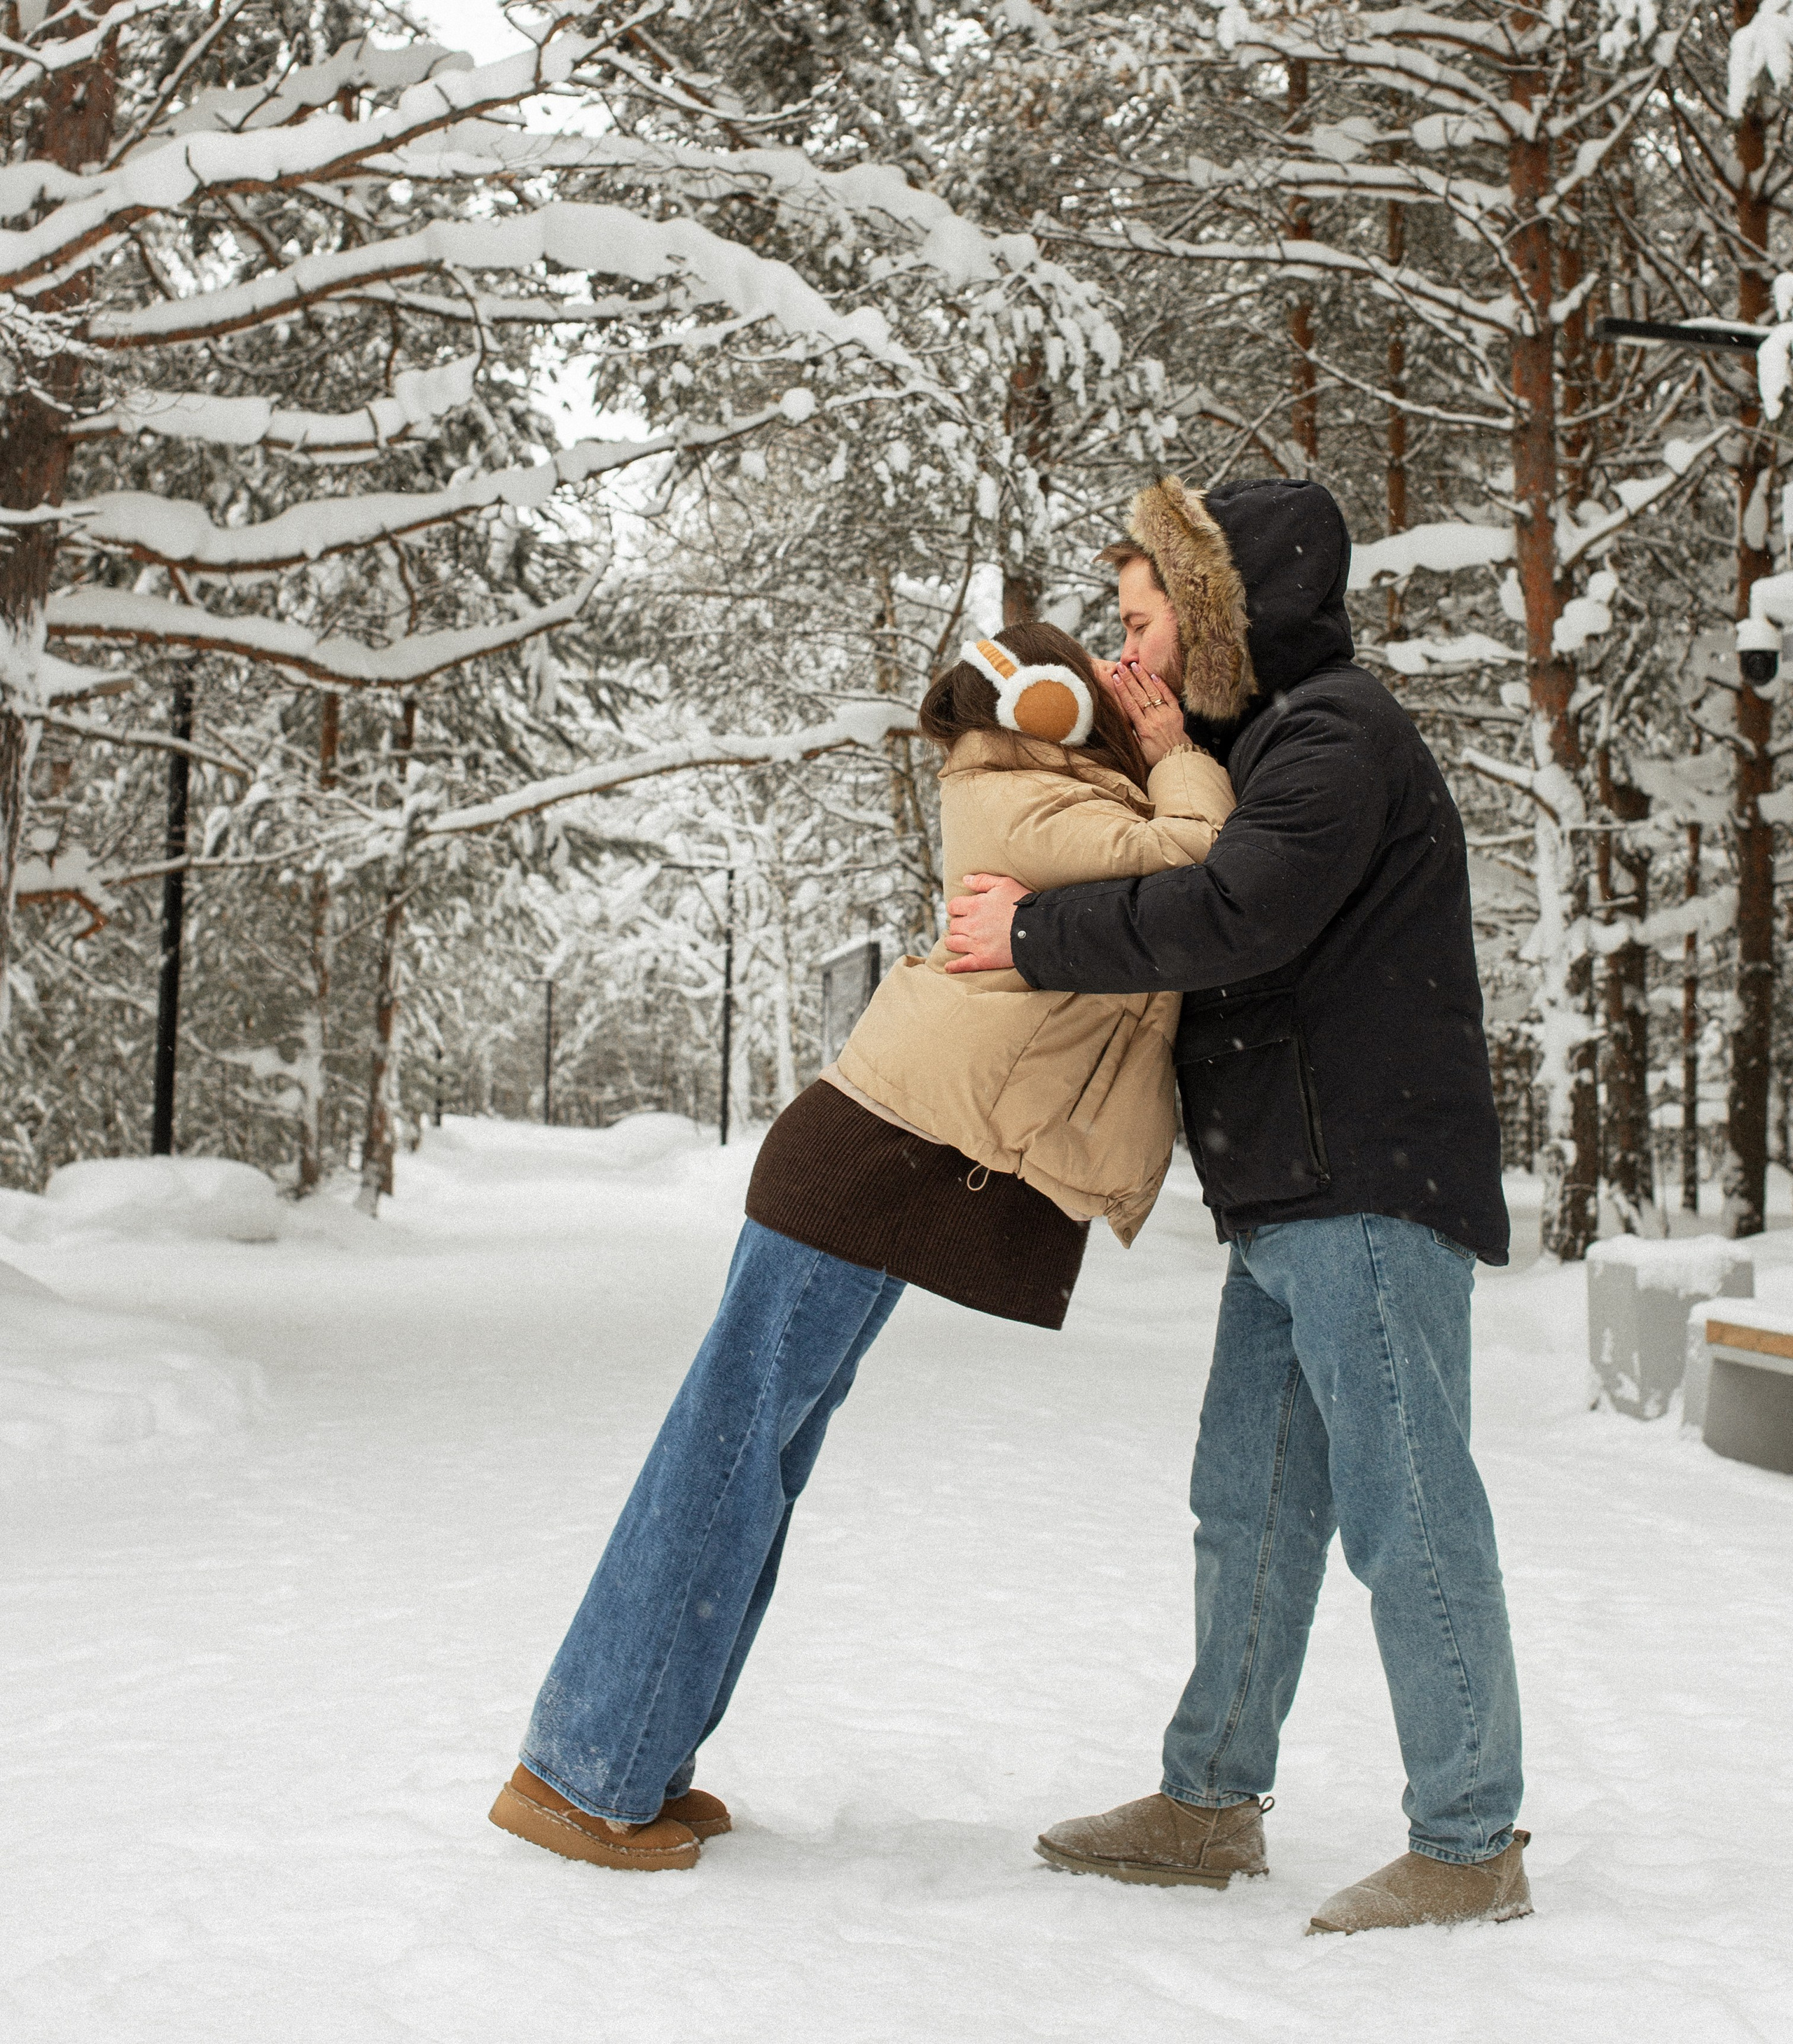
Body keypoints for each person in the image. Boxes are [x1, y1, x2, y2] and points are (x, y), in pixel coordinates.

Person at [489, 620, 1236, 1872]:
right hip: (868, 1163)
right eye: (1098, 679)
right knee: (727, 1458)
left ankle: (637, 1758)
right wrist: (1175, 751)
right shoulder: (1028, 800)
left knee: (754, 1462)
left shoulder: (1040, 793)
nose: (1126, 685)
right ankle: (577, 1774)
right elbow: (1201, 862)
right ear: (1045, 708)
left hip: (882, 1164)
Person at [945, 476, 1529, 1938]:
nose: (1126, 648)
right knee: (1247, 1507)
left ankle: (1467, 1835)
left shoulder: (1337, 734)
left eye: (1144, 619)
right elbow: (1194, 849)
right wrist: (1151, 740)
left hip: (1369, 1188)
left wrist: (1028, 930)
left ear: (1220, 612)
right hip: (1284, 1191)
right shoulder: (1269, 740)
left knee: (1406, 1508)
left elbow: (1237, 908)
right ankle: (1207, 1798)